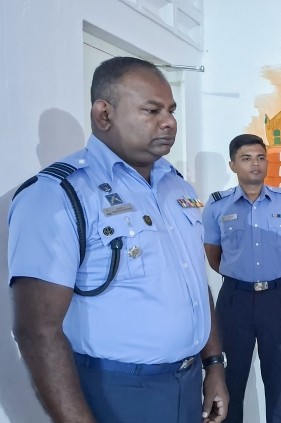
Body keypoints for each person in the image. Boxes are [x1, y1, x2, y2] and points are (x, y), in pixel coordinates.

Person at [8, 57, 228, 423]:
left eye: (171, 110)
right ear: (104, 115)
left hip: (187, 382)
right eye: (152, 110)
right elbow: (36, 330)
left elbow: (194, 281)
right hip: (115, 391)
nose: (169, 122)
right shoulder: (58, 194)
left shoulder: (178, 187)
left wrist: (214, 365)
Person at [202, 134, 281, 423]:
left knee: (277, 384)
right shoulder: (218, 205)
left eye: (260, 158)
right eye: (246, 158)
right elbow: (213, 255)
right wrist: (241, 277)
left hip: (277, 300)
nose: (255, 164)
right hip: (235, 302)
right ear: (233, 165)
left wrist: (272, 279)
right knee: (230, 383)